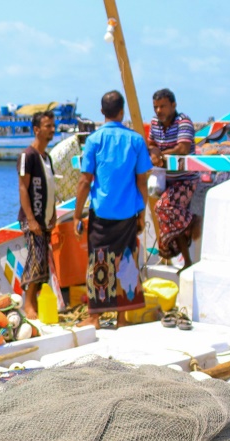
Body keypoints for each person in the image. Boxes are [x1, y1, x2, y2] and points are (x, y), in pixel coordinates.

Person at [73, 90, 151, 329]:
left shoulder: (94, 140)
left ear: (101, 112)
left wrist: (77, 214)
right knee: (127, 260)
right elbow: (141, 181)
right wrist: (142, 212)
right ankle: (122, 318)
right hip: (128, 212)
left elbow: (85, 181)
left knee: (98, 261)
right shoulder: (136, 140)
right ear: (122, 111)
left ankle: (95, 317)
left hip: (102, 213)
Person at [146, 88, 200, 268]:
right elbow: (152, 143)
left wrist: (161, 155)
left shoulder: (183, 122)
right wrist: (155, 153)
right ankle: (187, 261)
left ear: (173, 105)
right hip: (166, 179)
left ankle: (192, 220)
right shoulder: (155, 123)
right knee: (174, 223)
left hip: (186, 179)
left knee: (163, 206)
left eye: (163, 106)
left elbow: (183, 149)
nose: (159, 111)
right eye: (156, 107)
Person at [17, 111, 58, 320]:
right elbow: (23, 188)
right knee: (35, 259)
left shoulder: (47, 157)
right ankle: (28, 304)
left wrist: (53, 214)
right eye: (47, 126)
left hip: (45, 219)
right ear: (36, 130)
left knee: (42, 264)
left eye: (53, 125)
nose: (52, 129)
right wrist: (31, 219)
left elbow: (50, 186)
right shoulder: (28, 156)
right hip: (32, 219)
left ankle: (37, 302)